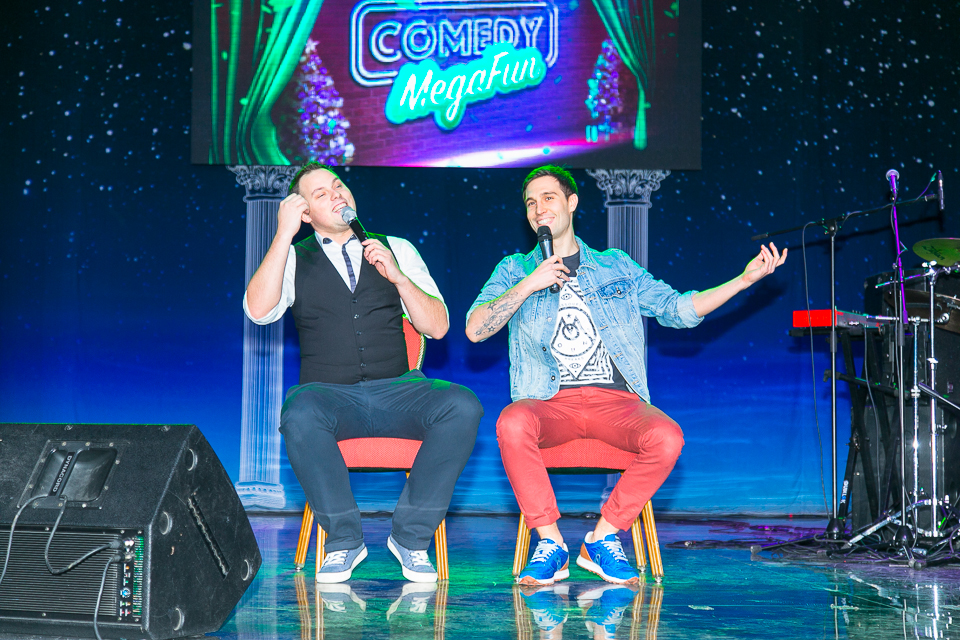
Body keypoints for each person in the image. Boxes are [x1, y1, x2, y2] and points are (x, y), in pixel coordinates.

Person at [466, 165, 786, 585]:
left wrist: (742, 281)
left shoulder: (616, 266)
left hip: (616, 402)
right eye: (530, 202)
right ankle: (550, 544)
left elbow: (676, 309)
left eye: (548, 197)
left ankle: (603, 537)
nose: (538, 208)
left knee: (667, 437)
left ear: (571, 203)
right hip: (548, 401)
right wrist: (529, 283)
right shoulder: (513, 269)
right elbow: (475, 329)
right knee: (512, 422)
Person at [244, 162, 482, 584]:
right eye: (320, 194)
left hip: (399, 392)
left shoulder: (397, 247)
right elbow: (258, 311)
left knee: (462, 405)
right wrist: (282, 234)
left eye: (338, 185)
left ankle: (410, 538)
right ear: (304, 213)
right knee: (299, 412)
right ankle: (344, 540)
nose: (336, 194)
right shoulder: (293, 257)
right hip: (329, 396)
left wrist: (399, 279)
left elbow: (438, 327)